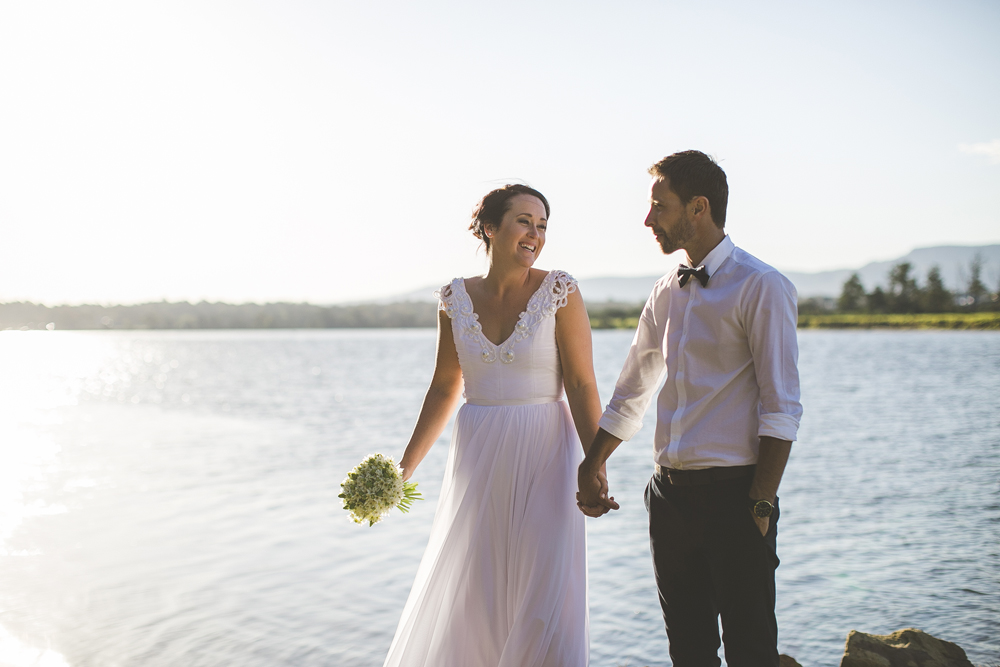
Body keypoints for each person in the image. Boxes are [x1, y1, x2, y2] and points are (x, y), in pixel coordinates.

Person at [577, 151, 803, 667]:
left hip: (737, 496)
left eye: (660, 205)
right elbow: (632, 391)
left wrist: (761, 502)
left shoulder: (761, 286)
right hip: (668, 498)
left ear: (698, 207)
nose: (648, 218)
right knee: (689, 650)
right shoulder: (665, 290)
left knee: (751, 651)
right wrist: (593, 463)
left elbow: (782, 407)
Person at [383, 184, 605, 667]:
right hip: (479, 453)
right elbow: (445, 387)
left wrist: (596, 463)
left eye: (542, 225)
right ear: (489, 227)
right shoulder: (453, 298)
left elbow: (584, 384)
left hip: (548, 450)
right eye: (525, 221)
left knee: (545, 597)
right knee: (475, 589)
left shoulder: (559, 290)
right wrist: (403, 471)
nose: (535, 234)